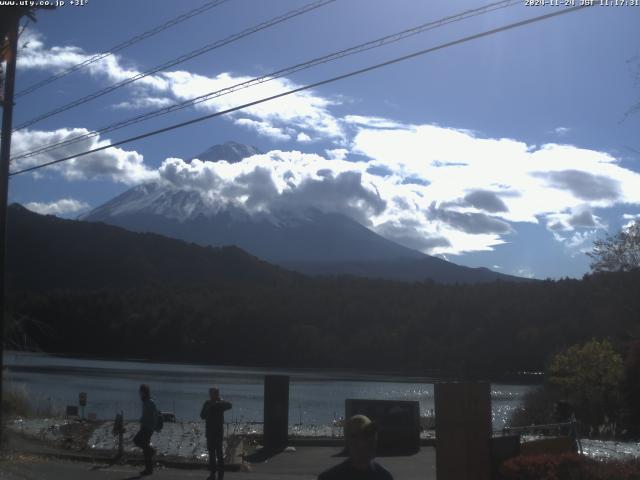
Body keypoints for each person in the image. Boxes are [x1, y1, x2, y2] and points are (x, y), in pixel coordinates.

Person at [318, 414, 393, 480]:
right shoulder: (329, 477)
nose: (372, 440)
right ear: (351, 442)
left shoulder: (384, 476)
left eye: (373, 435)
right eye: (366, 435)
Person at [200, 387, 232, 480]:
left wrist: (218, 403)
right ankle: (212, 473)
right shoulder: (207, 403)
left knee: (219, 453)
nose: (212, 395)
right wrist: (208, 408)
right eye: (211, 393)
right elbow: (202, 416)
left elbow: (229, 405)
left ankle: (221, 474)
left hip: (218, 432)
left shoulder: (221, 403)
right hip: (209, 431)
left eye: (214, 393)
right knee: (211, 453)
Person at [133, 384, 158, 476]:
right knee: (145, 448)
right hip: (145, 427)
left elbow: (155, 415)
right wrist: (141, 420)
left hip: (148, 428)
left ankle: (151, 451)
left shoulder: (150, 402)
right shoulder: (145, 401)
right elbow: (146, 415)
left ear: (144, 392)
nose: (139, 393)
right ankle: (149, 469)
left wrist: (153, 427)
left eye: (140, 391)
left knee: (137, 440)